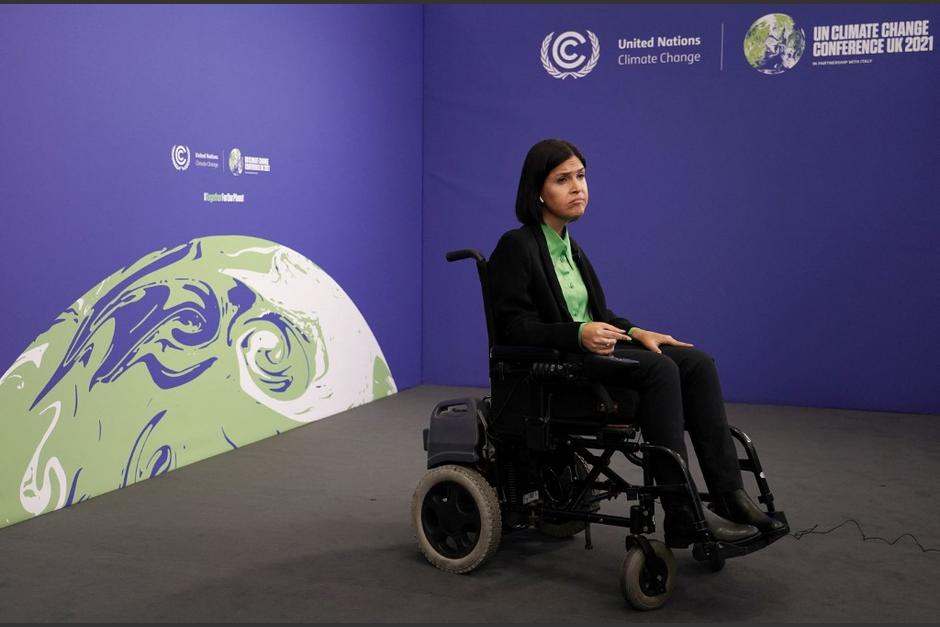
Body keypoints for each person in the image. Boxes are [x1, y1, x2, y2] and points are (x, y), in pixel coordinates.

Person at [487, 138, 785, 547]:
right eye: (563, 179)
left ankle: (731, 496)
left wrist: (636, 332)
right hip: (554, 374)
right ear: (538, 190)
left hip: (587, 358)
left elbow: (599, 319)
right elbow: (514, 328)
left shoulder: (571, 249)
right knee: (660, 371)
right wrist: (576, 333)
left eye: (581, 176)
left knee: (694, 361)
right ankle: (682, 515)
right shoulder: (516, 247)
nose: (578, 187)